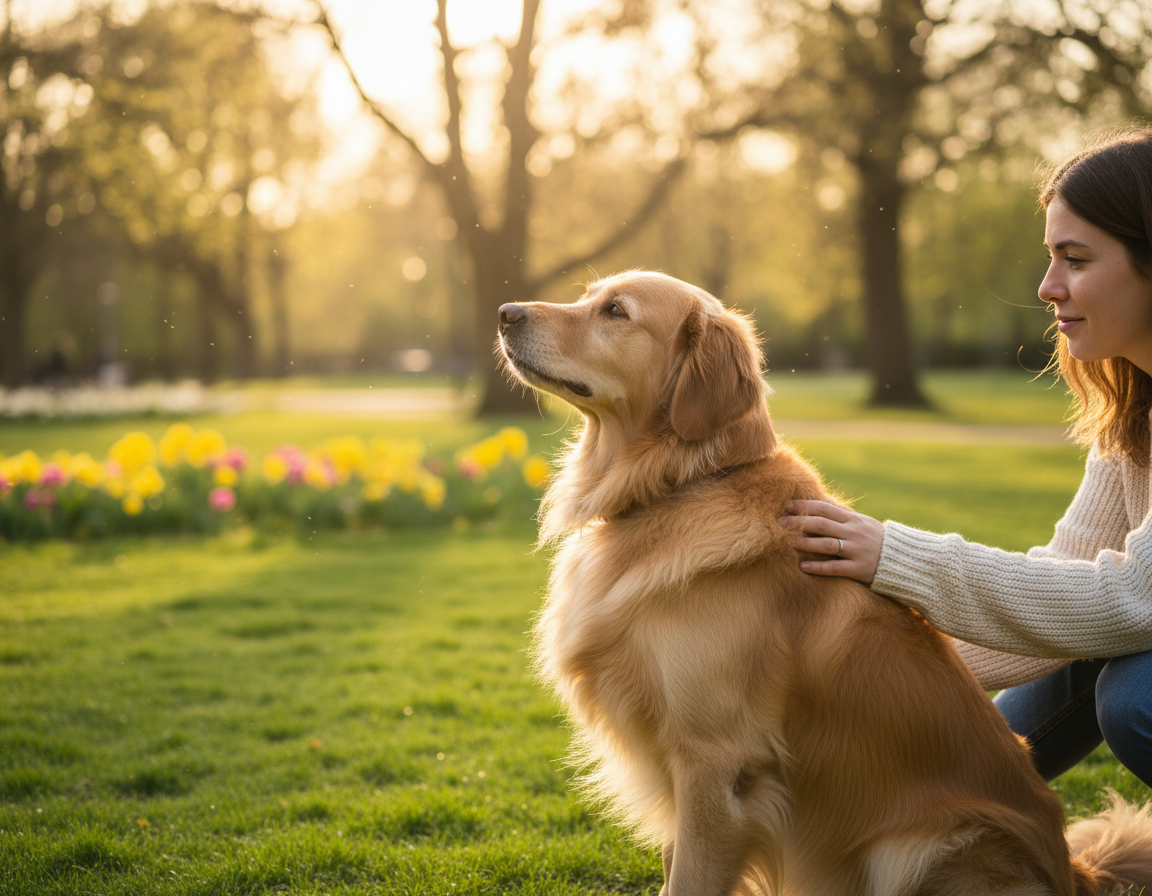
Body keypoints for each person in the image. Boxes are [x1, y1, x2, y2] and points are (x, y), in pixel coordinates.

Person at [780, 124, 1152, 788]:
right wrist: (850, 671)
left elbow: (1130, 598)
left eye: (1076, 258)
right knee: (980, 771)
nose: (1046, 286)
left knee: (1135, 697)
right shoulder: (1134, 410)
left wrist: (895, 555)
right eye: (1050, 256)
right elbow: (1065, 580)